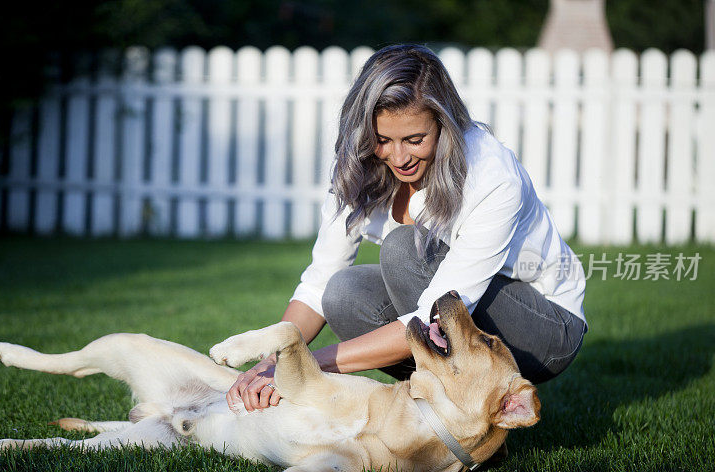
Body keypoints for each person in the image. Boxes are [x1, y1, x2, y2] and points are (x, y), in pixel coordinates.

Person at [225, 44, 587, 413]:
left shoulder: (491, 175)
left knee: (402, 250)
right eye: (383, 140)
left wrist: (303, 367)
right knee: (342, 292)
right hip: (451, 318)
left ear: (444, 125)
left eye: (415, 140)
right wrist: (271, 363)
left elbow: (438, 312)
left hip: (545, 326)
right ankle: (445, 412)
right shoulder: (359, 165)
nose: (399, 158)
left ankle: (467, 412)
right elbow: (319, 282)